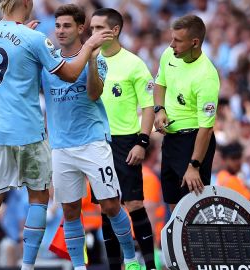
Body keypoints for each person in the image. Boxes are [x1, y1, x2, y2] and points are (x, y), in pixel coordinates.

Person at [0, 0, 114, 269]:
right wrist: (88, 46)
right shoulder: (35, 38)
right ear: (27, 3)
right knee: (39, 198)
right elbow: (72, 73)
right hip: (28, 130)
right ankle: (27, 266)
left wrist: (25, 40)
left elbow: (12, 51)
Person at [41, 4, 140, 270]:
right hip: (60, 146)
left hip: (93, 142)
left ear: (80, 28)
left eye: (67, 26)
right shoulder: (47, 61)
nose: (61, 31)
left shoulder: (100, 59)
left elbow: (95, 93)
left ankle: (131, 258)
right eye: (58, 25)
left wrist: (93, 60)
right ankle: (78, 267)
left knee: (110, 205)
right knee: (70, 210)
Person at [89, 8, 156, 270]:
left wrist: (142, 141)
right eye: (91, 28)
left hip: (126, 141)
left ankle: (150, 265)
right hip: (97, 141)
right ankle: (114, 266)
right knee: (107, 207)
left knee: (134, 203)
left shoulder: (134, 64)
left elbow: (148, 106)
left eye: (98, 28)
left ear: (114, 30)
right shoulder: (89, 59)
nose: (92, 33)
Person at [153, 14, 219, 211]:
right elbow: (160, 83)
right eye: (172, 38)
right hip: (170, 140)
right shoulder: (169, 55)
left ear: (195, 42)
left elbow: (206, 129)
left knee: (192, 210)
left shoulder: (206, 76)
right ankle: (178, 243)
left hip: (193, 143)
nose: (171, 44)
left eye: (178, 40)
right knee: (174, 208)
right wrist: (159, 110)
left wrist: (194, 165)